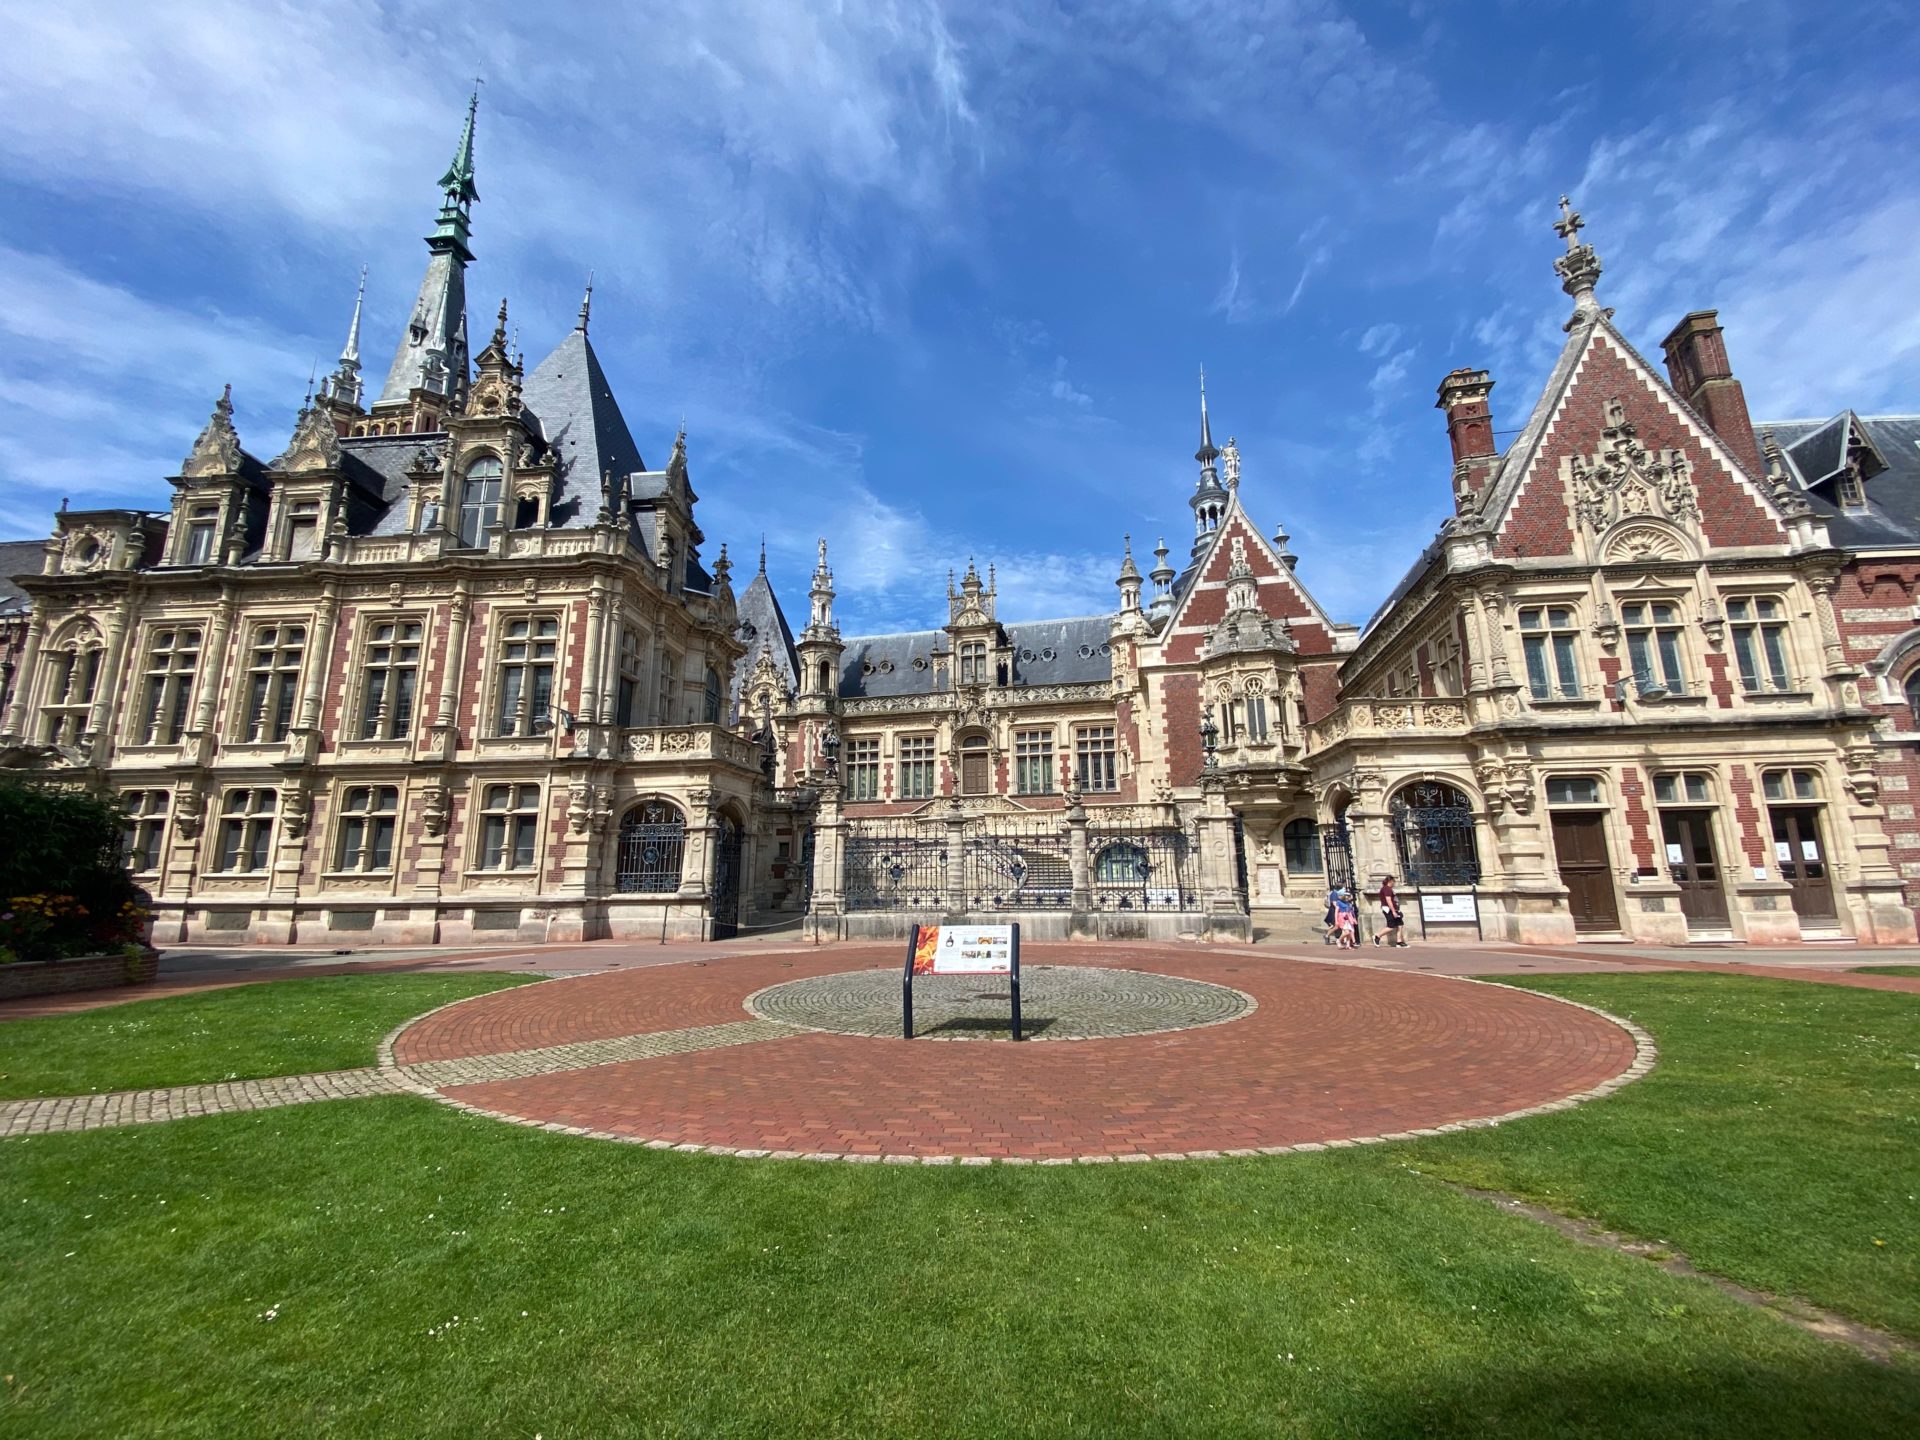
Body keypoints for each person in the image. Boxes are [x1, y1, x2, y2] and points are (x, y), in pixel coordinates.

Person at [1377, 875, 1409, 948]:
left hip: (1394, 909)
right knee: (1391, 926)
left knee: (1400, 924)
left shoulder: (1389, 889)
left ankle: (1399, 941)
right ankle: (1377, 936)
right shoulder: (1387, 889)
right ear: (1390, 881)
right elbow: (1388, 900)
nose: (1394, 883)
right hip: (1389, 910)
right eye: (1393, 881)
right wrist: (1393, 911)